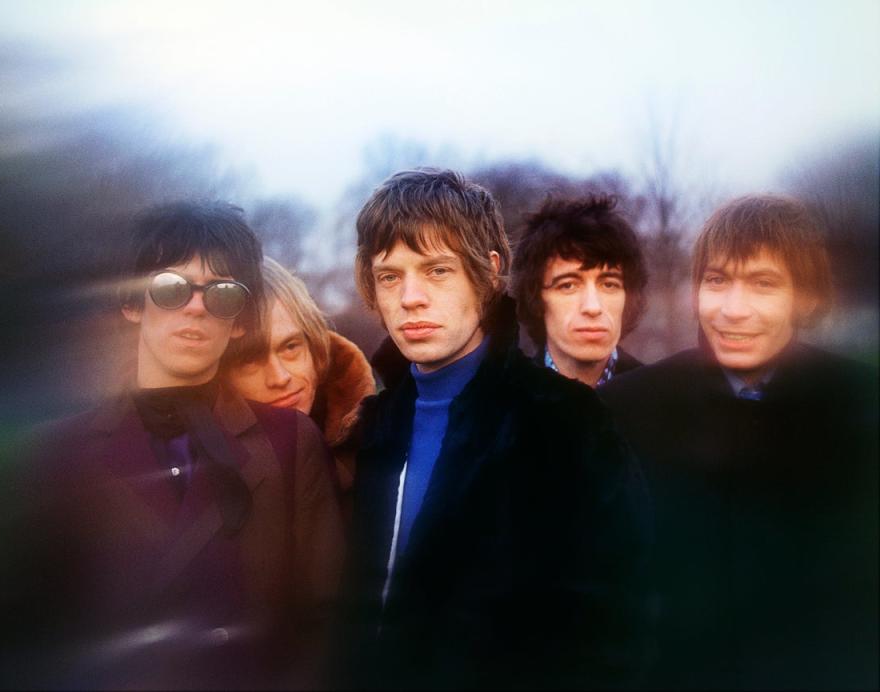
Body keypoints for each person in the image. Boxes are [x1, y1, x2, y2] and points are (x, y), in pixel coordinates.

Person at [0, 201, 345, 689]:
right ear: (133, 303)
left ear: (238, 321)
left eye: (222, 294)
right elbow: (29, 636)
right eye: (172, 288)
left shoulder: (290, 444)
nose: (196, 305)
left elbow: (327, 622)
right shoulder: (61, 457)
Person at [334, 168, 654, 689]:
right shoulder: (373, 426)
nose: (410, 297)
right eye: (390, 275)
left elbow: (620, 629)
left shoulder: (566, 423)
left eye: (437, 270)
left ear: (489, 272)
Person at [601, 194, 879, 689]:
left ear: (806, 296)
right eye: (717, 280)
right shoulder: (628, 410)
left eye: (763, 284)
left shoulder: (860, 409)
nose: (733, 310)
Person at [225, 256, 375, 508]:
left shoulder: (383, 445)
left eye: (290, 346)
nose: (280, 377)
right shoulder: (205, 475)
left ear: (315, 346)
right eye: (249, 360)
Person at [510, 194, 647, 387]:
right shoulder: (498, 409)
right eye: (568, 285)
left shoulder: (663, 405)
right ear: (536, 299)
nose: (592, 307)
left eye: (609, 285)